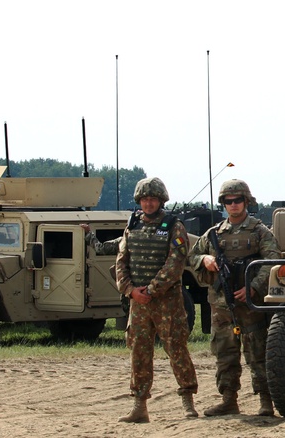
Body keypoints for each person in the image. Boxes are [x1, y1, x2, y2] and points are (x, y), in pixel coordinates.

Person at [191, 178, 281, 416]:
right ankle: (229, 400)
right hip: (221, 308)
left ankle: (266, 402)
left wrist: (253, 287)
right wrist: (205, 260)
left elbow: (272, 260)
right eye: (228, 201)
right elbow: (192, 256)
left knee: (258, 355)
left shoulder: (260, 232)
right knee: (225, 356)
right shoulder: (213, 235)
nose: (233, 205)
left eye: (238, 200)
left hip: (250, 306)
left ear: (246, 201)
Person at [114, 177, 199, 423]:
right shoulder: (132, 224)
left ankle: (187, 401)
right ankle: (139, 406)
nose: (148, 203)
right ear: (139, 201)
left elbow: (175, 263)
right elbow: (122, 260)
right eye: (144, 199)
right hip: (138, 302)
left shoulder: (174, 225)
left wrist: (150, 290)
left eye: (152, 199)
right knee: (139, 352)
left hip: (166, 302)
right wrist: (130, 290)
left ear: (161, 200)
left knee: (176, 349)